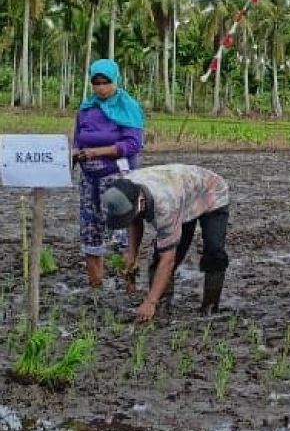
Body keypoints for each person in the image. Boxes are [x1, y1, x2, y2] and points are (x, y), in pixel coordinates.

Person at [100, 164, 230, 323]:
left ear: (141, 202)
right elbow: (134, 220)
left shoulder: (165, 206)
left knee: (213, 251)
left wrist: (149, 301)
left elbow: (168, 260)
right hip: (182, 194)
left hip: (211, 192)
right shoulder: (124, 187)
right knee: (165, 253)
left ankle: (210, 308)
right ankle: (163, 305)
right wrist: (132, 252)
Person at [73, 58, 144, 288]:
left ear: (116, 81)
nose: (102, 88)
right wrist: (75, 154)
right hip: (89, 179)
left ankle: (129, 284)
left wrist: (97, 152)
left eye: (106, 82)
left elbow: (132, 145)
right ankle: (95, 285)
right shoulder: (86, 108)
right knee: (90, 228)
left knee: (121, 230)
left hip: (116, 177)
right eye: (97, 83)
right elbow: (77, 139)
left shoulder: (127, 106)